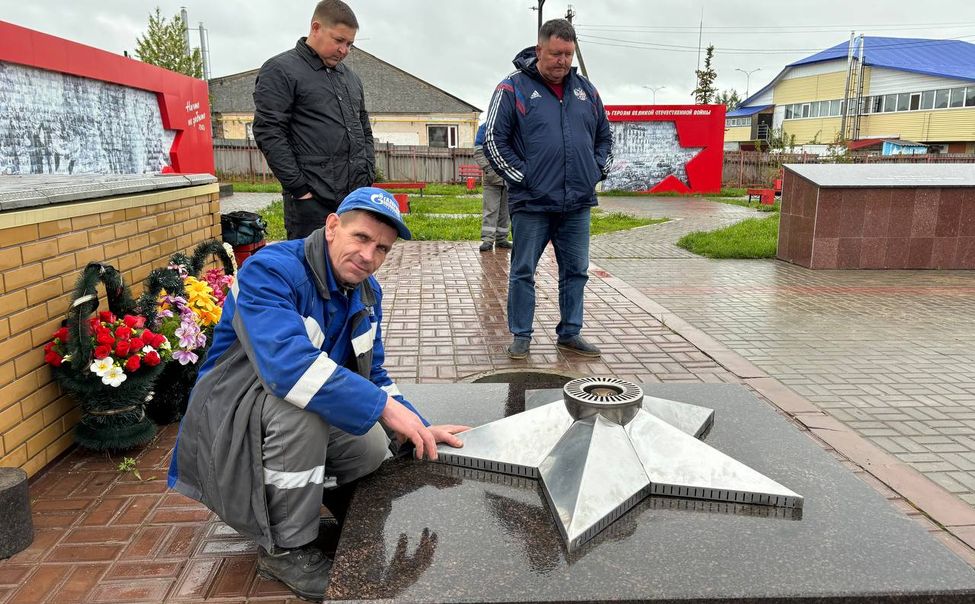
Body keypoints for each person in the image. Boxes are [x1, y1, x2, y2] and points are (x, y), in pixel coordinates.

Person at [168, 187, 468, 601]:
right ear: (331, 227)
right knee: (303, 415)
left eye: (382, 248)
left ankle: (318, 502)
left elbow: (373, 372)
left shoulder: (366, 292)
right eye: (361, 238)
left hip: (276, 406)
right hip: (229, 412)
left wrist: (414, 425)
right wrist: (382, 408)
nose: (369, 256)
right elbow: (287, 369)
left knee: (369, 442)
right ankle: (285, 548)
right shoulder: (269, 271)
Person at [483, 19, 613, 360]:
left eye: (568, 54)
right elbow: (494, 140)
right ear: (539, 50)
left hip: (577, 203)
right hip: (532, 203)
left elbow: (605, 136)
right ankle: (521, 336)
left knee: (576, 271)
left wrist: (596, 170)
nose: (563, 61)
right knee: (523, 271)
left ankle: (570, 333)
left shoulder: (586, 91)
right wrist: (524, 178)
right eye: (556, 53)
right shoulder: (512, 88)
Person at [253, 0, 376, 240]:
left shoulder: (351, 79)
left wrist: (368, 173)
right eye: (339, 40)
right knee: (309, 273)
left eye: (350, 44)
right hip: (311, 204)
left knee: (350, 273)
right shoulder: (280, 70)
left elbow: (364, 130)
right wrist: (299, 189)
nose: (344, 50)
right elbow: (269, 132)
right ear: (316, 28)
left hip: (352, 202)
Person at [473, 122, 511, 252]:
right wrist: (490, 169)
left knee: (505, 211)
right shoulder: (486, 127)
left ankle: (501, 239)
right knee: (490, 209)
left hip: (510, 177)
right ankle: (488, 240)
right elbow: (478, 151)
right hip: (492, 178)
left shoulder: (512, 124)